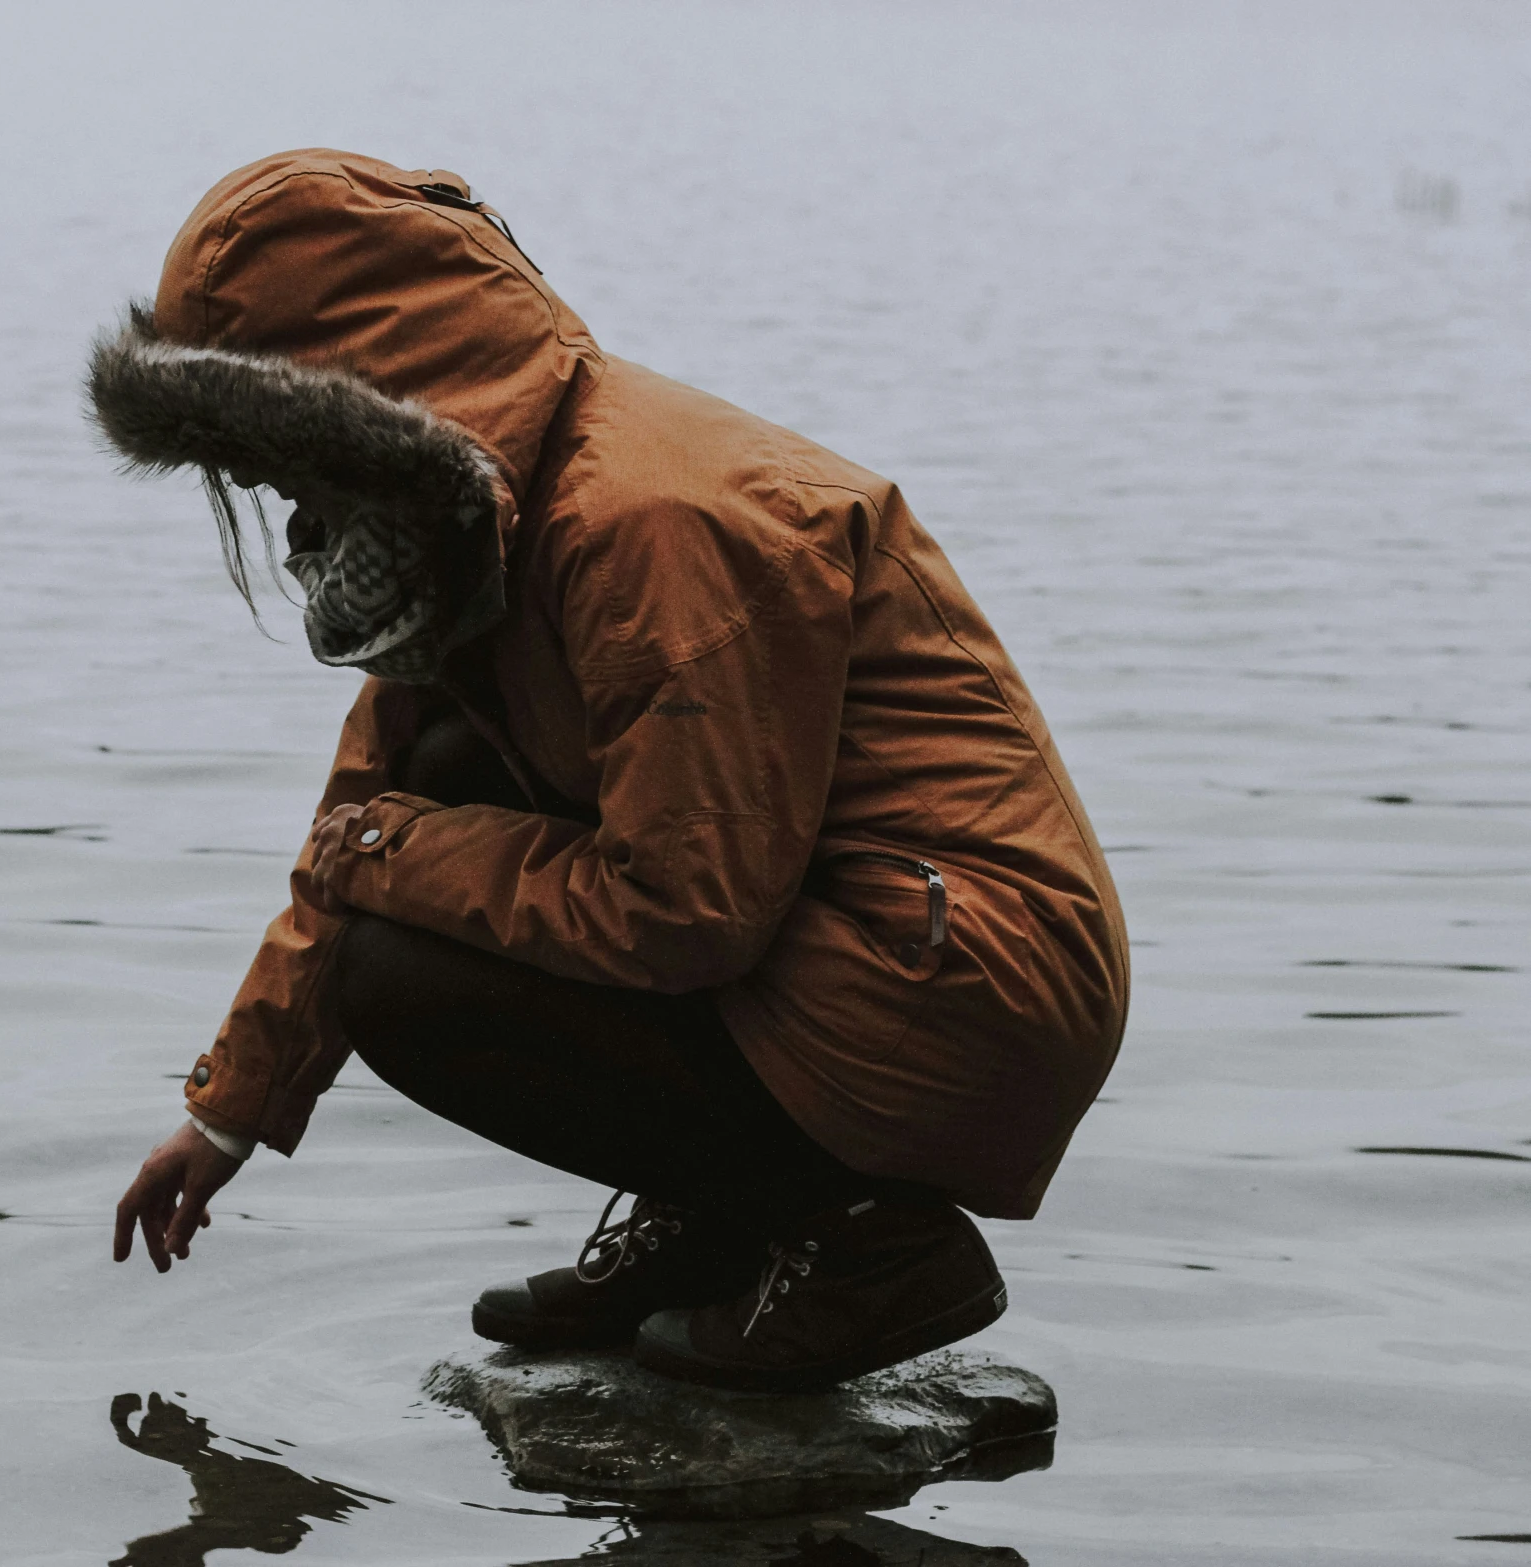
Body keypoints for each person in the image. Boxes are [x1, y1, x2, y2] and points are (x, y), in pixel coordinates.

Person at [92, 150, 1127, 1393]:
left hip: (962, 983)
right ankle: (725, 1226)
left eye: (268, 447)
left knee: (400, 978)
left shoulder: (650, 518)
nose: (267, 492)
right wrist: (226, 1113)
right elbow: (363, 814)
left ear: (357, 398)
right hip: (856, 938)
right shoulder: (480, 519)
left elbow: (683, 909)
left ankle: (865, 1244)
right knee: (430, 793)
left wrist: (398, 854)